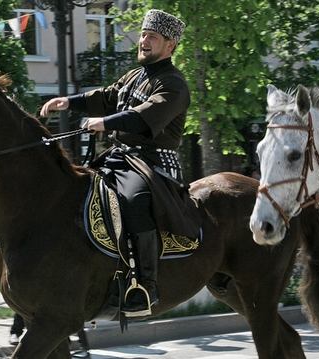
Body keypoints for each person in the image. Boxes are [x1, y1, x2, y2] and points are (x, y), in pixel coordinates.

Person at [40, 9, 195, 317]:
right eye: (143, 35)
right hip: (120, 158)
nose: (144, 41)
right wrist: (69, 102)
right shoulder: (136, 75)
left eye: (153, 37)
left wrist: (104, 123)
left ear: (170, 45)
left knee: (134, 200)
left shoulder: (174, 84)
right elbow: (108, 95)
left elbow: (145, 116)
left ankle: (145, 287)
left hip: (153, 163)